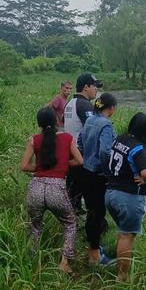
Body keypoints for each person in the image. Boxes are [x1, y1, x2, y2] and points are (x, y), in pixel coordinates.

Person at [20, 106, 83, 273]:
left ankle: (32, 261)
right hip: (57, 188)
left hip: (36, 187)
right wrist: (62, 165)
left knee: (35, 226)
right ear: (57, 120)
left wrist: (41, 168)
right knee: (70, 224)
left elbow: (24, 166)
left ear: (39, 123)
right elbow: (79, 161)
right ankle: (64, 263)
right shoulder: (68, 138)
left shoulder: (34, 140)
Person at [105, 112, 146, 282]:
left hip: (111, 195)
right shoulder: (139, 148)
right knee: (127, 236)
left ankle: (118, 261)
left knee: (123, 232)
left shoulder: (120, 139)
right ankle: (122, 276)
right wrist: (144, 178)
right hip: (129, 198)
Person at [80, 92, 117, 265]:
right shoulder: (106, 125)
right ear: (112, 108)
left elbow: (80, 143)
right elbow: (105, 151)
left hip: (85, 172)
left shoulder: (89, 120)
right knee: (98, 213)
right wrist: (107, 172)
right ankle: (94, 256)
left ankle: (92, 249)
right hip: (97, 175)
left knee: (91, 211)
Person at [64, 72, 103, 215]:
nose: (96, 90)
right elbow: (94, 130)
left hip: (70, 151)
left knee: (73, 188)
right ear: (86, 87)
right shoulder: (85, 105)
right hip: (81, 154)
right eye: (94, 87)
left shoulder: (70, 103)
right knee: (84, 189)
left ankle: (72, 214)